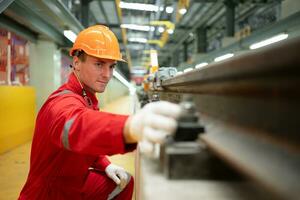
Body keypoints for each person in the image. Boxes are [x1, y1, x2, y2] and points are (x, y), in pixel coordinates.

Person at [18, 25, 181, 200]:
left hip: (74, 185)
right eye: (99, 64)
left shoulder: (87, 98)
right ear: (77, 63)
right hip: (48, 194)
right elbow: (77, 128)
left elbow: (85, 143)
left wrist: (105, 164)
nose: (107, 74)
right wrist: (129, 127)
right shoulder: (60, 103)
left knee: (123, 183)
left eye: (111, 66)